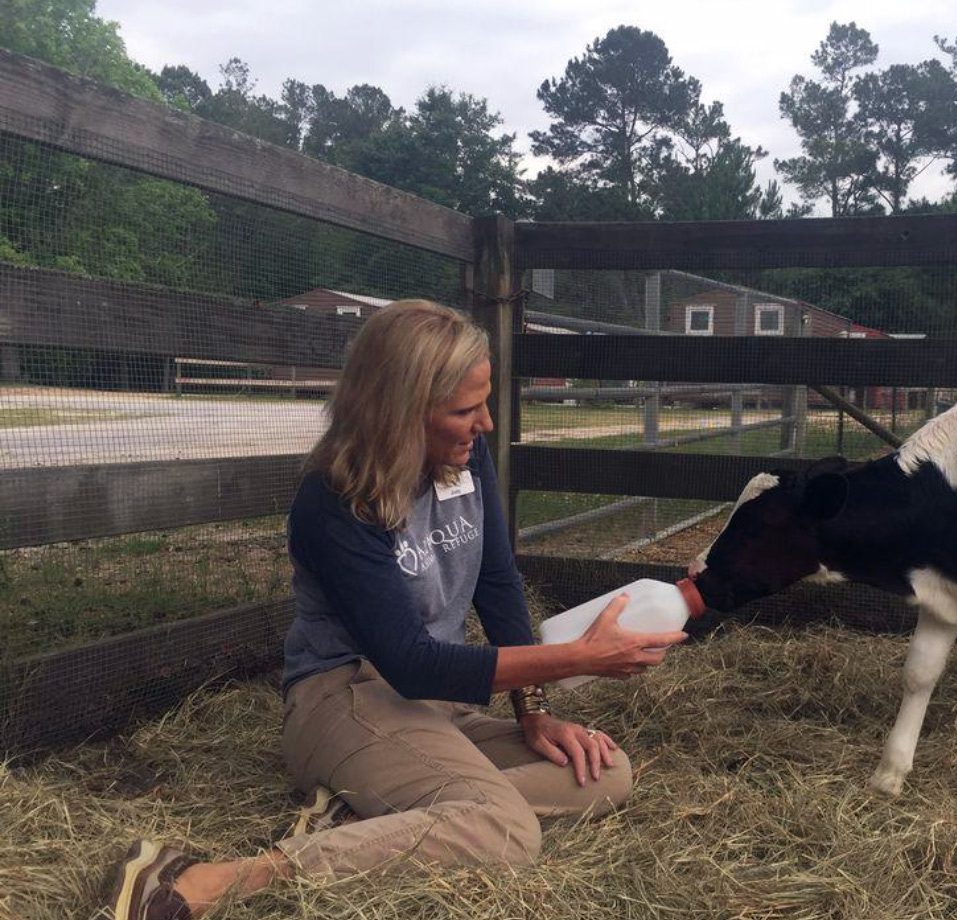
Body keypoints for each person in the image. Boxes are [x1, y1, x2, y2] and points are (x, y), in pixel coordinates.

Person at [105, 300, 688, 919]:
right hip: (347, 695)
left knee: (603, 770)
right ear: (401, 410)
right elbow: (409, 664)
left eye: (484, 402)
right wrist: (576, 657)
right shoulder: (333, 500)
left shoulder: (465, 459)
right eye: (464, 410)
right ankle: (209, 879)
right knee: (507, 831)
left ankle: (369, 814)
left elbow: (495, 580)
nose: (485, 424)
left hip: (433, 708)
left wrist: (534, 711)